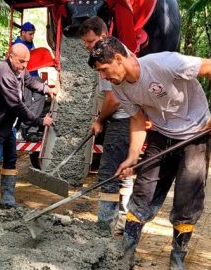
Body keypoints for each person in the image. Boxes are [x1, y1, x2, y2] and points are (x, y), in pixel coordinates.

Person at [88, 36, 211, 269]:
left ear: (119, 59)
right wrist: (132, 156)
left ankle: (177, 258)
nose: (104, 76)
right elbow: (138, 120)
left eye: (104, 69)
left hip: (194, 134)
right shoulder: (119, 88)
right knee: (143, 192)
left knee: (186, 199)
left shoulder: (165, 63)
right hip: (160, 134)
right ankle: (126, 255)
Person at [0, 43, 57, 209]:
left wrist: (46, 89)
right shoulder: (3, 72)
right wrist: (40, 121)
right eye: (21, 61)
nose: (24, 66)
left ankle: (7, 201)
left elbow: (29, 81)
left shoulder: (19, 69)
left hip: (8, 125)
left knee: (11, 160)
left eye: (26, 62)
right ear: (10, 56)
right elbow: (16, 105)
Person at [79, 16, 133, 236]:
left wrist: (100, 120)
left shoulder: (106, 59)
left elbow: (113, 97)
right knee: (124, 170)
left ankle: (105, 226)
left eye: (91, 42)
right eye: (86, 44)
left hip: (121, 119)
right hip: (127, 118)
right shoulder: (118, 51)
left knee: (108, 173)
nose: (89, 47)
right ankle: (123, 218)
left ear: (102, 36)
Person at [13, 21, 46, 142]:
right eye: (30, 34)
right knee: (26, 103)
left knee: (41, 97)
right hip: (23, 76)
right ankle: (31, 130)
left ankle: (26, 124)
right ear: (23, 32)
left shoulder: (29, 42)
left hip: (34, 75)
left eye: (33, 34)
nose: (32, 37)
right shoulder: (17, 45)